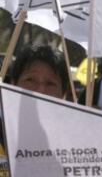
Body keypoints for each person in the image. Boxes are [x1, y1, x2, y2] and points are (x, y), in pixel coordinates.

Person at [1, 44, 69, 177]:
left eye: (50, 83)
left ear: (63, 94)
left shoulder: (78, 141)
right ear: (14, 84)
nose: (40, 90)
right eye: (30, 80)